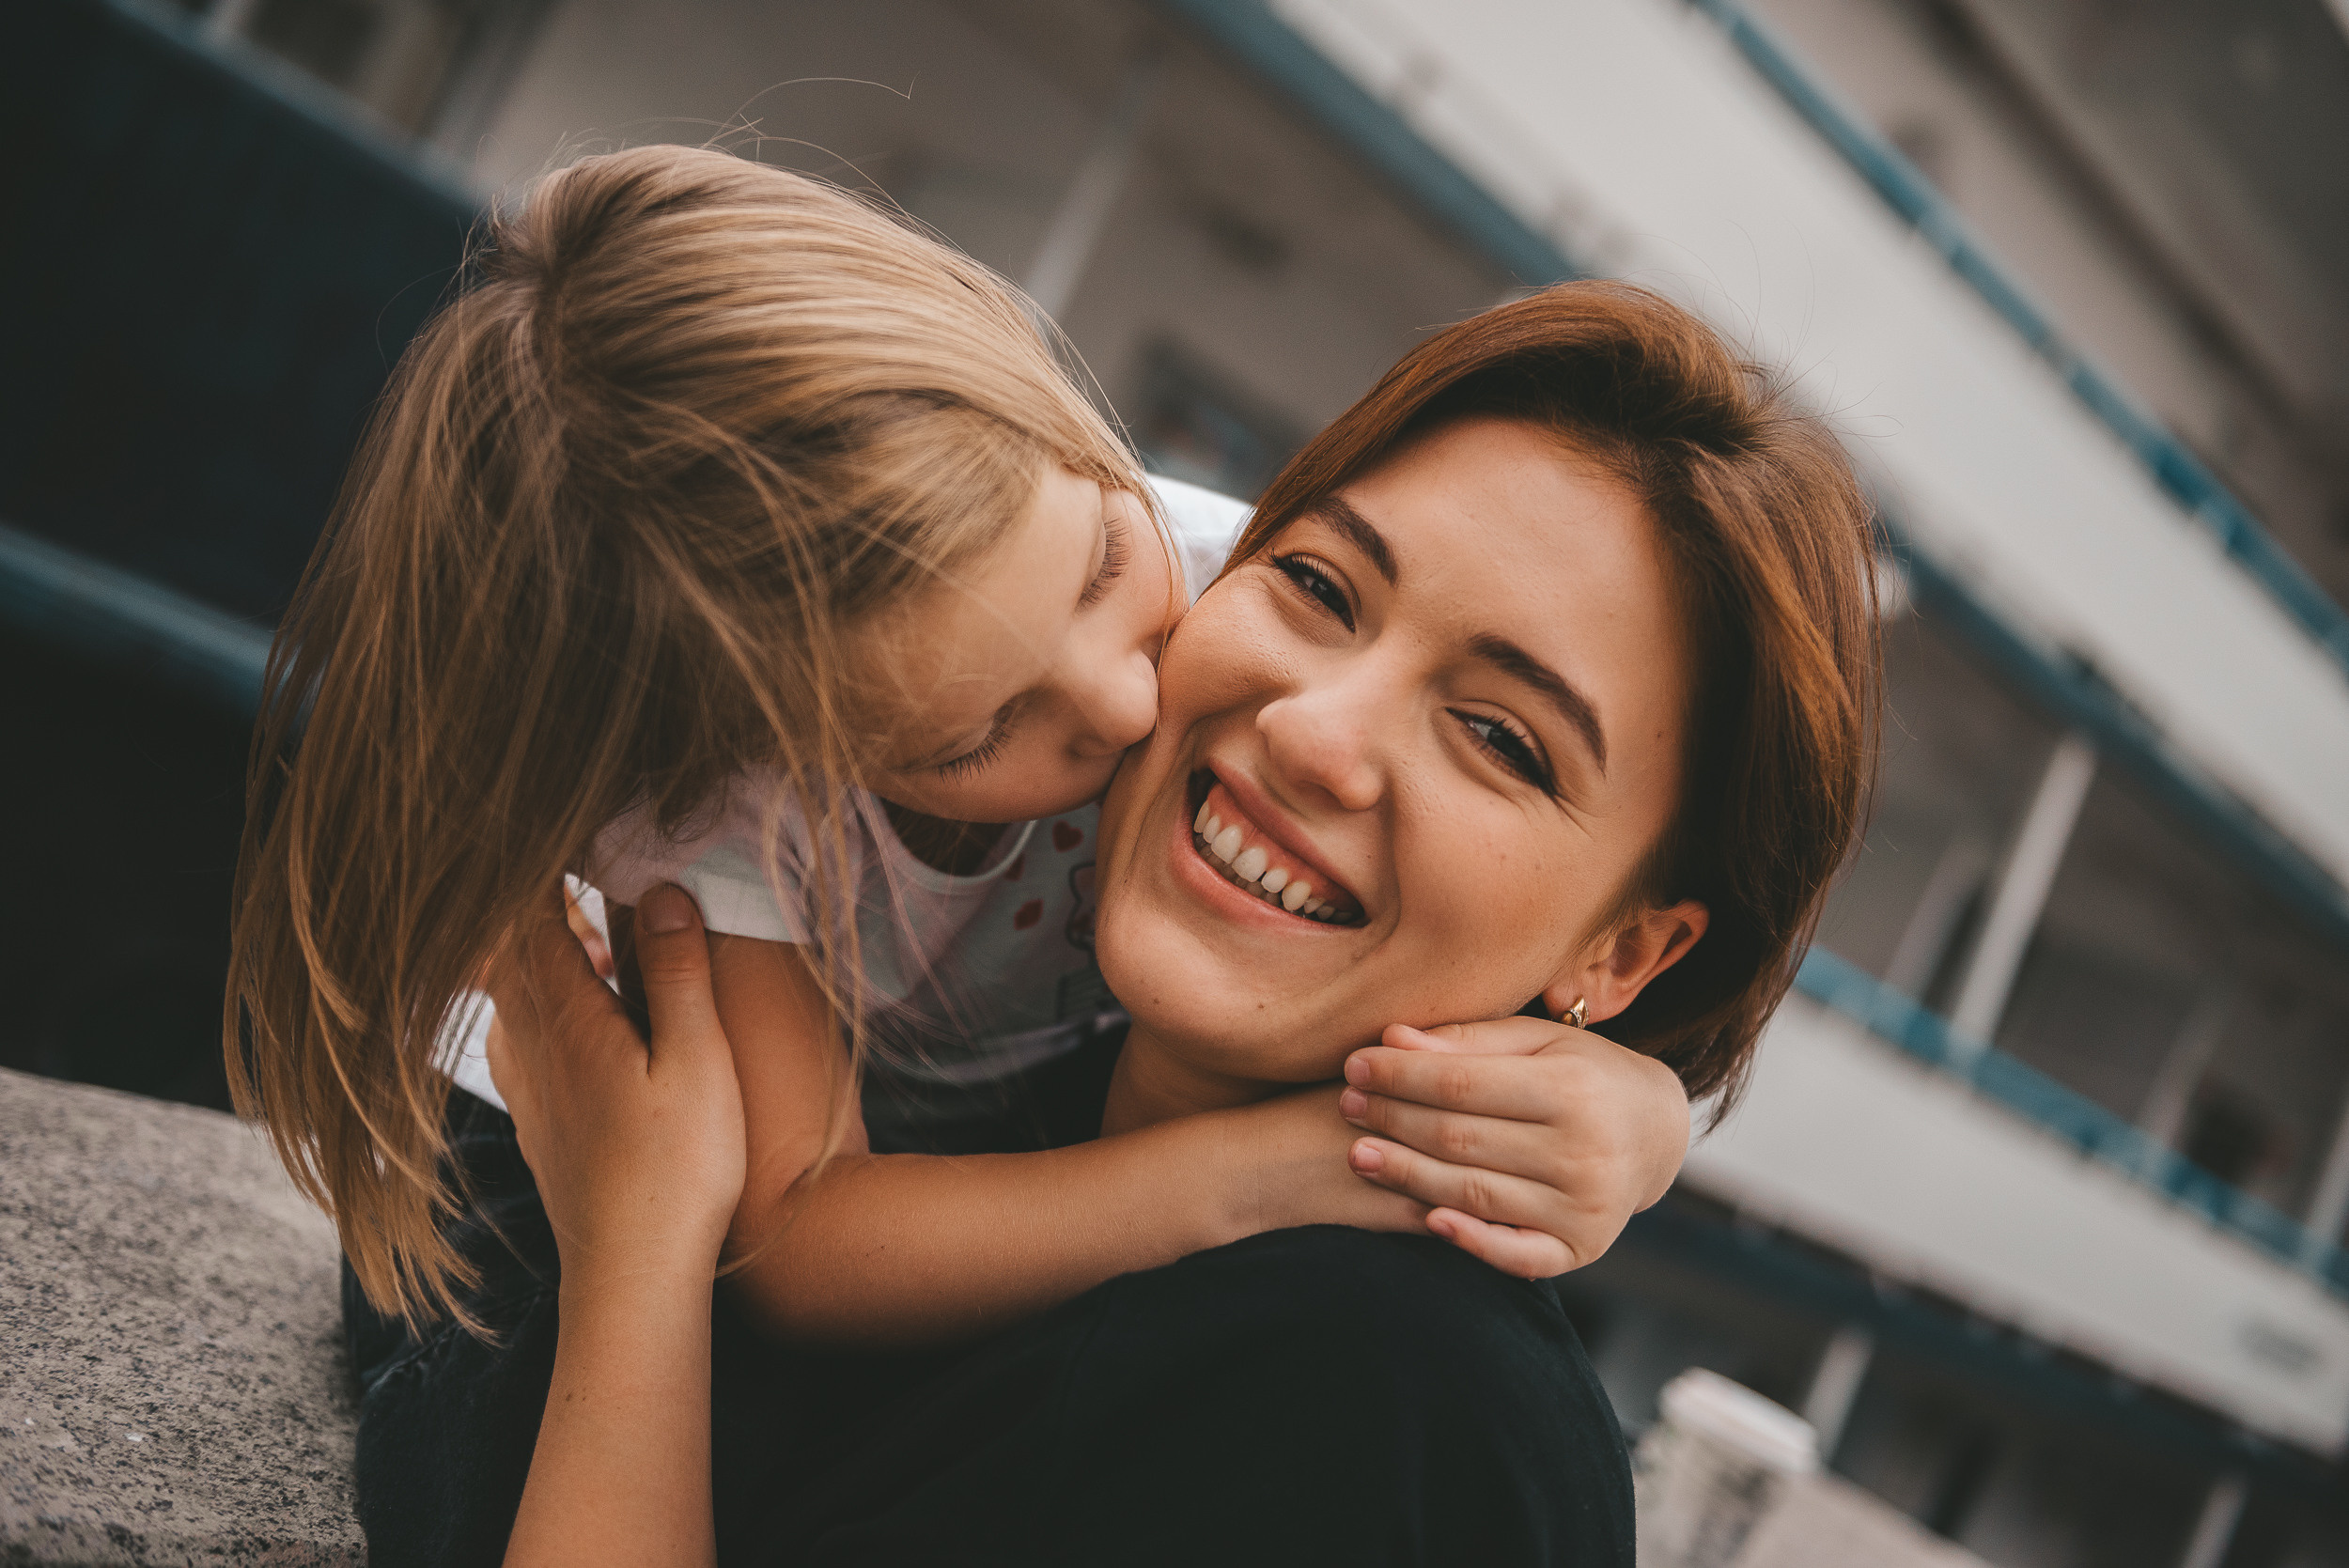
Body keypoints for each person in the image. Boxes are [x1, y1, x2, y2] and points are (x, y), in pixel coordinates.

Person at [220, 145, 1697, 1562]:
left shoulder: (1273, 596)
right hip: (567, 1150)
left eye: (1109, 573)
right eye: (972, 737)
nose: (1129, 701)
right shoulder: (730, 804)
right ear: (791, 739)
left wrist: (1644, 1121)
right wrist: (1255, 1171)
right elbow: (792, 1234)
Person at [483, 283, 1881, 1565]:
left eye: (1501, 738)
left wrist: (637, 1252)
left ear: (1626, 953)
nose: (1312, 728)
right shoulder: (1006, 1143)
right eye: (1323, 588)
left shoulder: (1388, 1408)